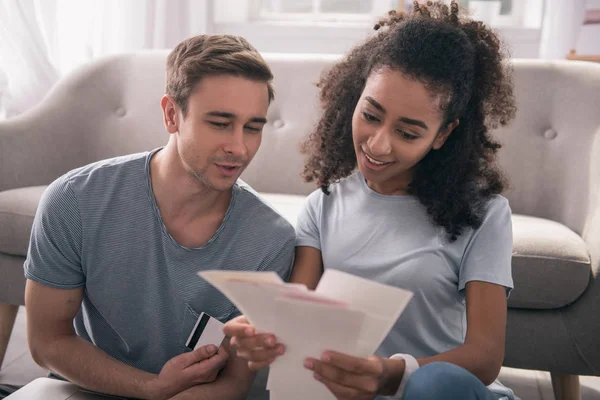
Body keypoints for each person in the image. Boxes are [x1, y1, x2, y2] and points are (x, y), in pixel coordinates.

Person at [224, 2, 519, 399]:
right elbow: (298, 320)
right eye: (371, 115)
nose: (378, 145)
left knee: (432, 384)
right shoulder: (322, 206)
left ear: (443, 135)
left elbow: (484, 357)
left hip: (441, 393)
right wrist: (263, 331)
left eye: (408, 133)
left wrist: (390, 374)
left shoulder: (484, 214)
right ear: (355, 96)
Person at [23, 34, 295, 400]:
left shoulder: (270, 240)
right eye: (219, 123)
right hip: (85, 390)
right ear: (171, 115)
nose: (239, 147)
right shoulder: (74, 201)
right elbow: (48, 341)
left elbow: (232, 384)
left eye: (253, 127)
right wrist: (150, 388)